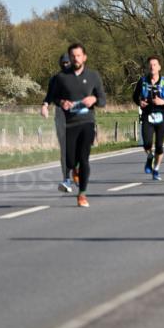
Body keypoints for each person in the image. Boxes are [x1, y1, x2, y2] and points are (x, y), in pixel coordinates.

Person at [50, 42, 106, 206]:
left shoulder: (93, 76)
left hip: (87, 122)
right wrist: (62, 102)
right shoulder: (61, 78)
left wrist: (93, 99)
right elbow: (53, 97)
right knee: (70, 160)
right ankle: (74, 169)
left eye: (78, 55)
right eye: (73, 56)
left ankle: (82, 194)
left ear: (84, 57)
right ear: (70, 57)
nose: (76, 59)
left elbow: (102, 100)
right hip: (69, 124)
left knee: (84, 158)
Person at [134, 56, 164, 181]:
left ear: (159, 67)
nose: (152, 67)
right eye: (150, 65)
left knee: (159, 146)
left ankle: (156, 169)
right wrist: (140, 102)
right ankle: (150, 157)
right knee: (147, 143)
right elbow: (135, 97)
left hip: (161, 116)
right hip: (147, 115)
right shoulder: (142, 81)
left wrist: (163, 102)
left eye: (155, 64)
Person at [41, 53, 74, 192]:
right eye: (63, 63)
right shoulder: (55, 79)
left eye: (67, 63)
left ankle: (77, 171)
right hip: (61, 115)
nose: (65, 65)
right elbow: (50, 95)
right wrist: (45, 106)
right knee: (64, 149)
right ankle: (66, 179)